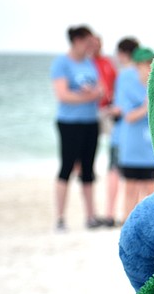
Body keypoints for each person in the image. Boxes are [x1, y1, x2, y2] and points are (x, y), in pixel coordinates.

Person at [50, 25, 103, 231]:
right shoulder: (61, 63)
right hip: (69, 123)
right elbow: (62, 95)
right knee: (67, 167)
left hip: (91, 121)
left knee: (89, 170)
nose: (91, 46)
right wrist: (87, 96)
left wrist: (94, 93)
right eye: (88, 42)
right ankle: (60, 218)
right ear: (77, 41)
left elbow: (100, 89)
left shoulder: (90, 62)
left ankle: (91, 216)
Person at [114, 46, 154, 222]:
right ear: (137, 66)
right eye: (145, 64)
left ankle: (152, 224)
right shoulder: (127, 85)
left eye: (151, 64)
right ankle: (128, 224)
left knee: (150, 189)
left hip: (150, 148)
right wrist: (147, 106)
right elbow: (129, 116)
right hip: (132, 147)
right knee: (131, 190)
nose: (148, 68)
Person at [101, 37, 140, 228]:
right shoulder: (146, 73)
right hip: (141, 138)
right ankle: (131, 215)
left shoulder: (124, 75)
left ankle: (110, 214)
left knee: (115, 172)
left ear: (123, 54)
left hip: (122, 135)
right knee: (138, 180)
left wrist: (109, 110)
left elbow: (121, 108)